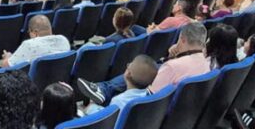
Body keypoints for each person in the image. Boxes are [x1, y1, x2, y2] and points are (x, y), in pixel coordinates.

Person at [79, 22, 210, 105]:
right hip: (183, 108)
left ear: (182, 39)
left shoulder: (173, 66)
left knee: (140, 70)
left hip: (155, 108)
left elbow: (150, 98)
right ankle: (104, 88)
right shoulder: (207, 63)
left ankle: (104, 89)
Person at [85, 55, 158, 114]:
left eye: (129, 65)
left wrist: (91, 107)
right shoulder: (150, 96)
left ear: (128, 74)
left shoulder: (119, 100)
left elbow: (108, 121)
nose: (128, 64)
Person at [3, 14, 70, 67]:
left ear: (35, 32)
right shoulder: (63, 39)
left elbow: (6, 66)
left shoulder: (30, 44)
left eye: (29, 32)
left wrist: (7, 58)